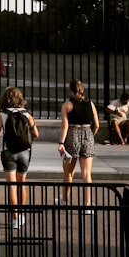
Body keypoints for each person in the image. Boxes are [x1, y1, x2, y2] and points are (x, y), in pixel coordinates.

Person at [0, 86, 40, 229]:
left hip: (8, 151)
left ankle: (14, 218)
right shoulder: (27, 114)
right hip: (24, 152)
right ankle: (22, 214)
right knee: (22, 183)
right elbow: (36, 134)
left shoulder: (3, 114)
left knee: (12, 186)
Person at [56, 79, 99, 211]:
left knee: (68, 172)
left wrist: (61, 142)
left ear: (70, 90)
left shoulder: (67, 105)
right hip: (87, 133)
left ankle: (65, 200)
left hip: (72, 135)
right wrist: (90, 135)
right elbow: (97, 124)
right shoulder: (90, 104)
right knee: (86, 174)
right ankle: (87, 204)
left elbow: (65, 125)